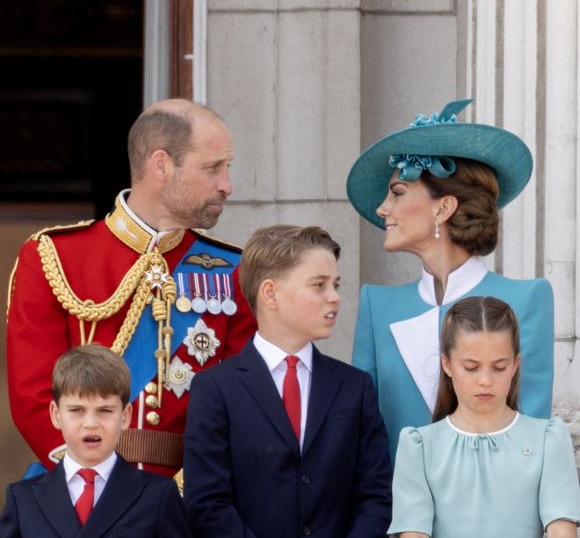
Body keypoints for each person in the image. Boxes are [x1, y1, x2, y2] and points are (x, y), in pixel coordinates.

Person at [6, 99, 257, 485]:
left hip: (187, 498)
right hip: (80, 490)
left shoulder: (230, 268)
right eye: (212, 168)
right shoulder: (54, 255)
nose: (227, 184)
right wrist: (96, 481)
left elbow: (243, 400)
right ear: (161, 165)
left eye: (227, 168)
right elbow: (34, 396)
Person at [346, 98, 554, 463]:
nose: (382, 209)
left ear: (443, 208)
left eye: (396, 193)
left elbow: (531, 441)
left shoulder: (526, 300)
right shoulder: (376, 306)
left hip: (497, 516)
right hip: (400, 518)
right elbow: (365, 441)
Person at [183, 225, 393, 537]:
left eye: (335, 285)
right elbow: (207, 501)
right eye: (319, 285)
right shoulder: (215, 389)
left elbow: (374, 496)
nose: (334, 298)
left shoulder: (355, 387)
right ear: (270, 293)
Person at [388, 296, 580, 538]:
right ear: (447, 364)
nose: (486, 381)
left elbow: (562, 531)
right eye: (471, 367)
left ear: (515, 364)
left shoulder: (547, 439)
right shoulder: (420, 447)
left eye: (499, 367)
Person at [0, 345, 192, 537]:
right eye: (77, 410)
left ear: (125, 416)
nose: (91, 424)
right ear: (56, 414)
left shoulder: (158, 496)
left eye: (105, 411)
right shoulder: (22, 499)